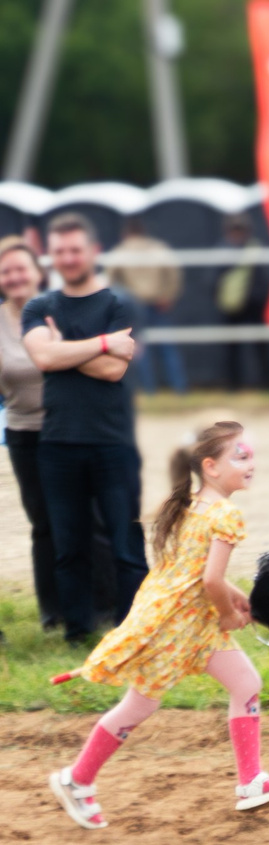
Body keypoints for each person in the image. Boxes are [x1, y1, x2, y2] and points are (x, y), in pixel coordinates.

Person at [45, 418, 269, 831]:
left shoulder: (191, 505)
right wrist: (228, 613)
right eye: (240, 456)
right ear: (211, 467)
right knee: (140, 704)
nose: (251, 463)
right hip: (178, 627)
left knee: (245, 684)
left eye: (252, 455)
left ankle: (251, 781)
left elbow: (194, 571)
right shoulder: (226, 515)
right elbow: (209, 580)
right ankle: (76, 779)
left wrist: (232, 597)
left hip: (181, 621)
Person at [21, 212, 150, 646]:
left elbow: (115, 370)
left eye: (75, 249)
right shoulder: (39, 306)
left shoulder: (120, 304)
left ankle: (132, 633)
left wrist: (63, 348)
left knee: (125, 543)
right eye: (59, 251)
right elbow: (42, 359)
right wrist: (99, 342)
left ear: (93, 251)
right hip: (57, 444)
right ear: (50, 257)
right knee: (69, 546)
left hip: (113, 443)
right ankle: (78, 634)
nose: (68, 258)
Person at [2, 236, 71, 633]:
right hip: (24, 433)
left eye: (20, 269)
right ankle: (52, 610)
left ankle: (97, 605)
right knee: (43, 522)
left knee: (82, 519)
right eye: (5, 271)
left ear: (36, 273)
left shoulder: (60, 311)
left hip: (71, 430)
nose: (13, 277)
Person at [112, 216, 189, 396]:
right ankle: (180, 389)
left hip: (133, 305)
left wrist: (122, 300)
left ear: (126, 233)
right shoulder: (158, 248)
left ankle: (148, 391)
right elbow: (174, 272)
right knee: (168, 348)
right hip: (158, 303)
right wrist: (168, 295)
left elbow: (111, 278)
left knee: (140, 350)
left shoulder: (121, 251)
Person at [213, 217, 269, 392]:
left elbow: (213, 279)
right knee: (243, 347)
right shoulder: (256, 249)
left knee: (251, 347)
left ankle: (251, 385)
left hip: (243, 304)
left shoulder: (223, 250)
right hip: (245, 303)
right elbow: (267, 277)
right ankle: (254, 385)